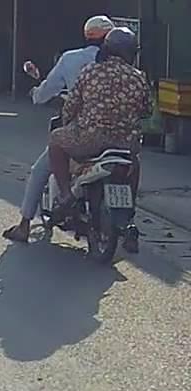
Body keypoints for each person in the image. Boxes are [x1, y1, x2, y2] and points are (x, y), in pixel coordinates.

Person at [2, 15, 114, 243]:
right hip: (118, 135)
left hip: (83, 132)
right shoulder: (123, 67)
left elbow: (50, 91)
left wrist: (37, 94)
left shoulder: (73, 60)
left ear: (87, 36)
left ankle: (28, 222)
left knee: (42, 167)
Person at [46, 25, 150, 253]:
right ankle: (129, 214)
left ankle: (66, 194)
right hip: (125, 144)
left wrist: (69, 120)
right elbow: (146, 111)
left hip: (89, 140)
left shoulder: (91, 71)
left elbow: (71, 107)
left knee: (55, 140)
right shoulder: (138, 77)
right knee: (134, 164)